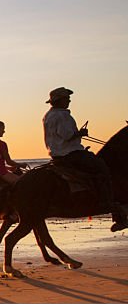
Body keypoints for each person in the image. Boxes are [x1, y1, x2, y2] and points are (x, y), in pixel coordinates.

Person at [42, 87, 127, 232]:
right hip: (70, 153)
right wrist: (80, 133)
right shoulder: (62, 116)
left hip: (57, 154)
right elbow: (67, 135)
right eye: (67, 98)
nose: (69, 100)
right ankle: (109, 206)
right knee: (102, 167)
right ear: (60, 100)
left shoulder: (48, 115)